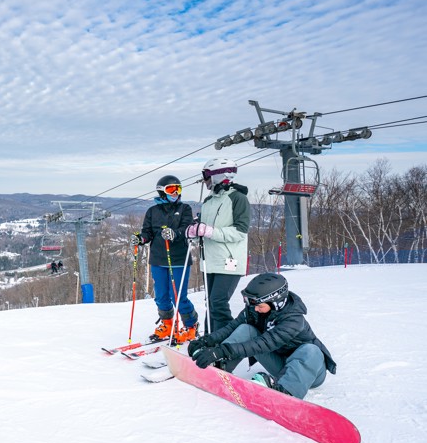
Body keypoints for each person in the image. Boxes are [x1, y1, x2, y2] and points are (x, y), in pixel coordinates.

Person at [187, 272, 336, 399]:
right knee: (245, 328)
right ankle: (220, 365)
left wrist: (222, 350)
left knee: (311, 350)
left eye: (260, 306)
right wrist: (206, 341)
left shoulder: (293, 320)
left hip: (309, 372)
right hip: (280, 365)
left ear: (276, 303)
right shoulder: (254, 309)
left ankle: (287, 392)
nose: (256, 309)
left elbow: (264, 343)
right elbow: (231, 328)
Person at [130, 175, 198, 343]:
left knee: (177, 297)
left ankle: (190, 326)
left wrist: (175, 233)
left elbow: (187, 229)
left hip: (178, 258)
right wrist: (141, 239)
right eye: (171, 189)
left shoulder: (184, 209)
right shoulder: (152, 212)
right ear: (162, 192)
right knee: (161, 296)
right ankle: (167, 324)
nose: (176, 192)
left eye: (178, 189)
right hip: (158, 259)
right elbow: (148, 232)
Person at [186, 158, 250, 333]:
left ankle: (226, 344)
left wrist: (209, 231)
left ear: (218, 175)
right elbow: (205, 231)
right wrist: (195, 232)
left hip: (229, 261)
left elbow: (240, 232)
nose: (205, 180)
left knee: (219, 303)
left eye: (206, 175)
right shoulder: (209, 201)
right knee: (211, 302)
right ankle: (210, 339)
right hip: (210, 261)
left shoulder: (238, 198)